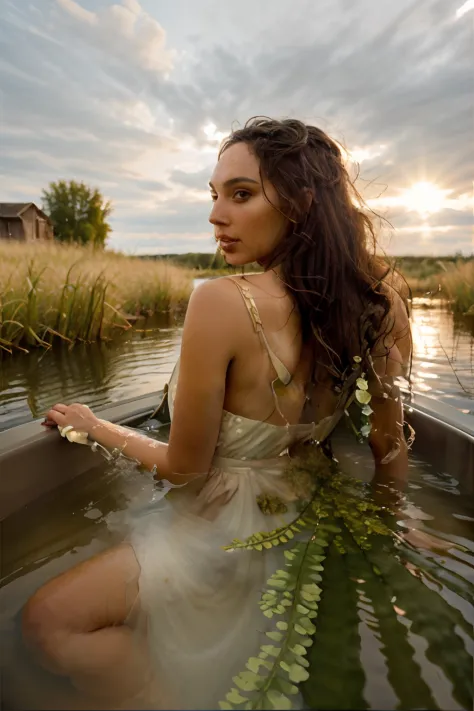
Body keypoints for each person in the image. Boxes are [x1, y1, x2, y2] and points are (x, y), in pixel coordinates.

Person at [22, 117, 411, 710]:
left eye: (241, 194)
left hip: (224, 524)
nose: (214, 216)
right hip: (308, 516)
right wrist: (392, 529)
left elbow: (184, 471)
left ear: (302, 203)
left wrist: (95, 426)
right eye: (214, 195)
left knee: (49, 620)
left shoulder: (220, 302)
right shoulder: (382, 301)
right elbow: (390, 447)